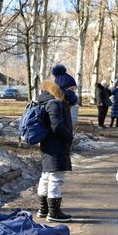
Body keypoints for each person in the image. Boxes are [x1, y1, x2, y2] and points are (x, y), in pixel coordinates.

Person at [35, 64, 77, 222]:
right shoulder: (55, 103)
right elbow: (57, 126)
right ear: (64, 88)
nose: (74, 92)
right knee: (55, 178)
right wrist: (69, 137)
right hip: (56, 146)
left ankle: (43, 209)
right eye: (72, 88)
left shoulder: (50, 100)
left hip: (49, 145)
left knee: (46, 176)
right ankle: (54, 212)